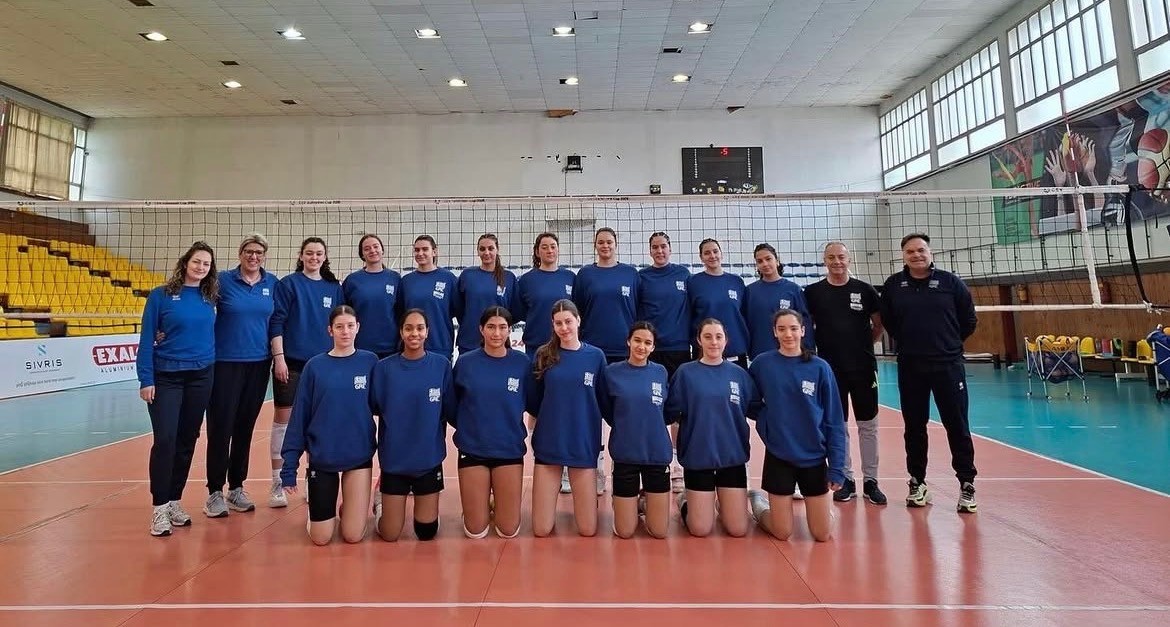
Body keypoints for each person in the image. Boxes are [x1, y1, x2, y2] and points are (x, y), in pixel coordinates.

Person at [881, 233, 978, 513]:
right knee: (914, 427)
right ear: (903, 255)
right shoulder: (893, 286)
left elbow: (968, 320)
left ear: (930, 252)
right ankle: (917, 481)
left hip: (948, 366)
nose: (916, 255)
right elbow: (890, 322)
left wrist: (948, 344)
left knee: (957, 426)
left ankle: (967, 484)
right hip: (911, 366)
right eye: (910, 251)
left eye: (920, 250)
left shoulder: (950, 283)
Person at [137, 241, 218, 537]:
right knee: (166, 440)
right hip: (167, 376)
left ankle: (174, 500)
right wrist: (146, 379)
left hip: (201, 375)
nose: (200, 267)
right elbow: (147, 339)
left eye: (206, 264)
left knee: (187, 439)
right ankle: (159, 508)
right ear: (185, 262)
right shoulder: (161, 295)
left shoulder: (211, 297)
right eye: (197, 261)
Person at [279, 305, 378, 545]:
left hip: (358, 456)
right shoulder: (315, 366)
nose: (345, 331)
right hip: (323, 457)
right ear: (330, 330)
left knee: (353, 535)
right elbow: (299, 416)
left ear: (358, 328)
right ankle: (319, 511)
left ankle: (355, 506)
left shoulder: (370, 362)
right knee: (321, 538)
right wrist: (289, 466)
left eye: (350, 326)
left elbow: (386, 407)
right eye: (339, 327)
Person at [747, 310, 847, 542]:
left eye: (793, 328)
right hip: (780, 455)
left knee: (821, 534)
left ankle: (821, 509)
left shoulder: (820, 367)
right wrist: (768, 422)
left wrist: (837, 467)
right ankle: (758, 503)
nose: (788, 334)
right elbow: (751, 403)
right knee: (782, 532)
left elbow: (834, 420)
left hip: (814, 456)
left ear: (803, 330)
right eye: (781, 329)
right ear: (774, 332)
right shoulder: (763, 364)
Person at [803, 241, 887, 505]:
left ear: (848, 259)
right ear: (824, 261)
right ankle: (846, 478)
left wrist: (862, 346)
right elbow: (809, 326)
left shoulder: (865, 290)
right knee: (837, 425)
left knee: (868, 425)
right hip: (830, 370)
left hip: (862, 368)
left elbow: (878, 325)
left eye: (841, 257)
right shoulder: (814, 292)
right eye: (831, 257)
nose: (836, 261)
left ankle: (871, 480)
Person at [203, 234, 278, 519]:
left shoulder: (272, 284)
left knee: (245, 429)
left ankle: (236, 487)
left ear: (264, 255)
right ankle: (214, 492)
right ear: (240, 253)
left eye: (259, 252)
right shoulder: (222, 280)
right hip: (224, 365)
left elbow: (277, 322)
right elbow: (198, 308)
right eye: (249, 251)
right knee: (221, 429)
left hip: (258, 365)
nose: (254, 256)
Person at [268, 237, 345, 509]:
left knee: (318, 424)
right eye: (309, 253)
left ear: (325, 257)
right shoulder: (288, 284)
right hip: (292, 363)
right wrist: (279, 358)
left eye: (319, 253)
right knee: (284, 423)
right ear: (301, 256)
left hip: (324, 367)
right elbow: (276, 322)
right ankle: (278, 482)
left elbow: (341, 324)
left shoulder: (334, 288)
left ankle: (315, 479)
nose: (314, 257)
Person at [666, 318, 757, 537]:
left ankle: (753, 502)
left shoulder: (739, 375)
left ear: (726, 341)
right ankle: (685, 501)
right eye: (707, 337)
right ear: (699, 340)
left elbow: (756, 409)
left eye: (718, 337)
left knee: (737, 529)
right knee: (700, 529)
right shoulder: (685, 373)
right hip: (699, 458)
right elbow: (669, 413)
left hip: (732, 458)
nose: (713, 342)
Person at [369, 309, 454, 541]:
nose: (414, 333)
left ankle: (429, 510)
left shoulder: (441, 366)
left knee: (426, 533)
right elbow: (373, 407)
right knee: (390, 534)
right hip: (395, 462)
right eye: (408, 328)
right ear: (401, 332)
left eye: (419, 328)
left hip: (428, 461)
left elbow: (451, 410)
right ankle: (380, 502)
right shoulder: (384, 368)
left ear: (427, 332)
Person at [525, 299, 608, 537]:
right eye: (558, 323)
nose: (564, 328)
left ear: (578, 320)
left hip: (582, 443)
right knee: (541, 530)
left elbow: (603, 400)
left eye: (568, 321)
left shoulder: (596, 357)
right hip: (550, 442)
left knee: (588, 529)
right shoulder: (544, 355)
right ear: (553, 325)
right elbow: (533, 400)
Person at [451, 306, 529, 539]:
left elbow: (531, 401)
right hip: (473, 448)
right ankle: (477, 504)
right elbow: (452, 405)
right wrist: (470, 429)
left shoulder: (522, 363)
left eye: (503, 327)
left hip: (508, 448)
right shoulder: (465, 363)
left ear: (509, 330)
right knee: (476, 531)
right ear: (481, 330)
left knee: (508, 530)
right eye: (491, 327)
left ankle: (495, 500)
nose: (497, 333)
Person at [572, 227, 639, 495]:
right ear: (595, 245)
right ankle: (595, 464)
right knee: (592, 408)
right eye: (600, 242)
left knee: (624, 407)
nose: (605, 246)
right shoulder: (585, 275)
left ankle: (626, 463)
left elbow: (639, 310)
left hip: (623, 352)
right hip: (592, 350)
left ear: (616, 244)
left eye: (609, 242)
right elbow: (576, 311)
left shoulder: (631, 274)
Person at [600, 322, 671, 539]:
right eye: (637, 340)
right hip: (625, 454)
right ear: (628, 341)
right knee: (625, 531)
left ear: (653, 347)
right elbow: (606, 409)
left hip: (657, 454)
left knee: (659, 532)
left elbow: (666, 411)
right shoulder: (612, 373)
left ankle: (648, 502)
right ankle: (627, 503)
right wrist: (625, 426)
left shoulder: (660, 372)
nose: (641, 346)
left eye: (647, 343)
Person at [637, 231, 691, 493]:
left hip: (680, 349)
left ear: (670, 248)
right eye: (655, 247)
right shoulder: (642, 277)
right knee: (653, 406)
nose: (659, 251)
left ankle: (679, 464)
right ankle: (657, 458)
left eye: (663, 246)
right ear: (650, 251)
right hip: (652, 350)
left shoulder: (683, 275)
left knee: (678, 408)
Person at [686, 239, 749, 368]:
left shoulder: (736, 282)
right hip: (705, 352)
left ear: (721, 254)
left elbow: (744, 315)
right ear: (701, 258)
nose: (712, 256)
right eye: (707, 253)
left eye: (715, 251)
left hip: (735, 351)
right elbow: (688, 316)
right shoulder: (693, 282)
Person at [744, 243, 814, 359]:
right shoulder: (750, 291)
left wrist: (808, 350)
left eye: (768, 259)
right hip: (760, 354)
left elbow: (805, 321)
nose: (765, 264)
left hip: (790, 354)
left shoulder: (793, 290)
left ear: (777, 261)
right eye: (760, 261)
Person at [399, 235, 460, 360]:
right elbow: (400, 313)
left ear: (434, 251)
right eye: (417, 250)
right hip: (412, 344)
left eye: (425, 249)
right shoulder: (406, 281)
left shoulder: (448, 279)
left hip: (440, 345)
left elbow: (458, 310)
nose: (420, 253)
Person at [515, 232, 575, 359]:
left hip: (565, 345)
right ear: (537, 252)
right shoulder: (526, 281)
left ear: (558, 250)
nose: (549, 250)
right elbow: (520, 312)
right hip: (536, 347)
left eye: (553, 247)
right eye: (544, 247)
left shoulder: (571, 278)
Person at [456, 233, 518, 356]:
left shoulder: (509, 278)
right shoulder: (467, 275)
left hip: (498, 342)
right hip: (470, 341)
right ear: (477, 251)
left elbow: (514, 312)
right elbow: (458, 308)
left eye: (490, 248)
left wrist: (498, 328)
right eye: (482, 249)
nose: (486, 252)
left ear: (497, 250)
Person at [342, 234, 401, 358]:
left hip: (391, 348)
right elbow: (344, 314)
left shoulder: (395, 278)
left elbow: (401, 311)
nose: (372, 250)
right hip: (361, 347)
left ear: (382, 250)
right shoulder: (352, 281)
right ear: (362, 254)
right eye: (367, 248)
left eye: (376, 246)